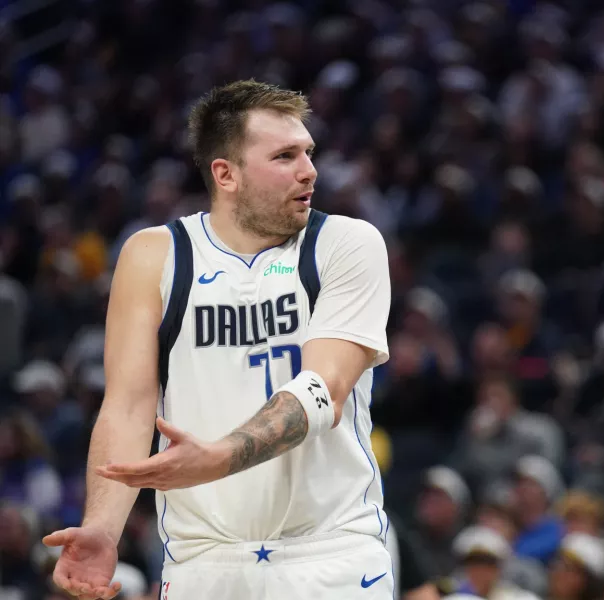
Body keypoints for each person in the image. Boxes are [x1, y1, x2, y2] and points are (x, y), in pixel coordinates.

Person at [41, 80, 394, 599]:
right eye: (285, 155)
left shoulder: (346, 243)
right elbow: (128, 405)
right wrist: (102, 526)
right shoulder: (154, 255)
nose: (309, 170)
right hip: (202, 561)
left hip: (332, 554)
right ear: (225, 173)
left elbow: (327, 388)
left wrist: (220, 456)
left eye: (308, 152)